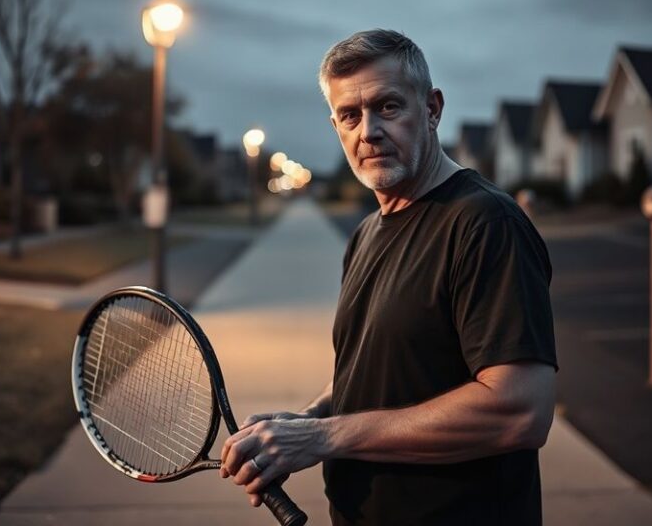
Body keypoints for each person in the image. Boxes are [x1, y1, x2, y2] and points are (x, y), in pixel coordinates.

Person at [220, 29, 558, 525]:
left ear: (433, 109)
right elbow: (380, 374)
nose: (368, 131)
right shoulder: (364, 235)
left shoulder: (485, 223)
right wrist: (312, 419)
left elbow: (520, 410)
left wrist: (324, 438)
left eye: (389, 107)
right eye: (349, 116)